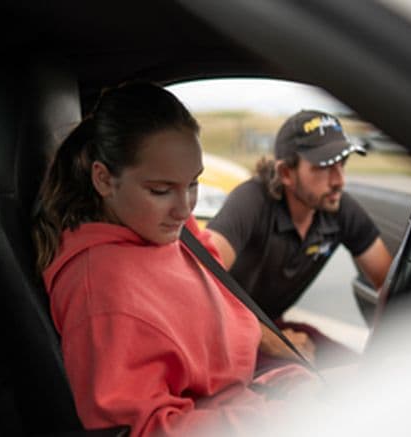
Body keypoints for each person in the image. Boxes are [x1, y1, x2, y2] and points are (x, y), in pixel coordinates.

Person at [32, 82, 314, 436]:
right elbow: (147, 429)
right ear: (104, 180)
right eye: (160, 191)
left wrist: (272, 352)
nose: (185, 209)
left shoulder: (156, 224)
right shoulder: (101, 293)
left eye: (193, 184)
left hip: (254, 391)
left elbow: (217, 294)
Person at [206, 110, 393, 368]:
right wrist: (272, 340)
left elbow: (390, 283)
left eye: (342, 163)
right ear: (285, 173)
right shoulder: (251, 201)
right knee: (309, 387)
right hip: (224, 334)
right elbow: (201, 283)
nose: (340, 181)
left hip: (276, 326)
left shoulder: (339, 208)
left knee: (359, 371)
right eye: (325, 166)